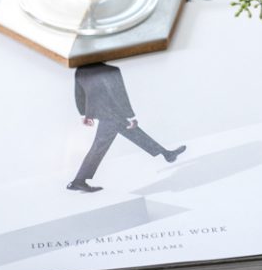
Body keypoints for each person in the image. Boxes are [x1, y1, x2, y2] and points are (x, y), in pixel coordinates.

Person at [67, 61, 186, 193]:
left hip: (104, 113)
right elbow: (118, 94)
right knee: (99, 146)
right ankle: (78, 181)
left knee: (135, 134)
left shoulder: (81, 70)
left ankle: (166, 154)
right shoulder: (111, 70)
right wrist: (130, 116)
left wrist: (84, 114)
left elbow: (79, 93)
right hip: (112, 114)